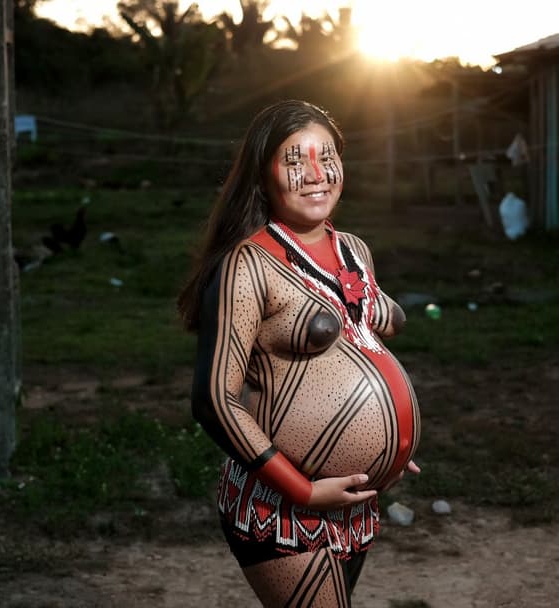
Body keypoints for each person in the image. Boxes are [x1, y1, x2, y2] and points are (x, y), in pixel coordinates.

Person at [178, 99, 421, 607]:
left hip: (355, 502)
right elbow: (214, 401)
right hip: (284, 505)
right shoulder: (247, 266)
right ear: (261, 175)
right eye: (294, 161)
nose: (316, 174)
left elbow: (364, 331)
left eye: (326, 156)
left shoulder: (354, 249)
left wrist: (389, 447)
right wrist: (303, 490)